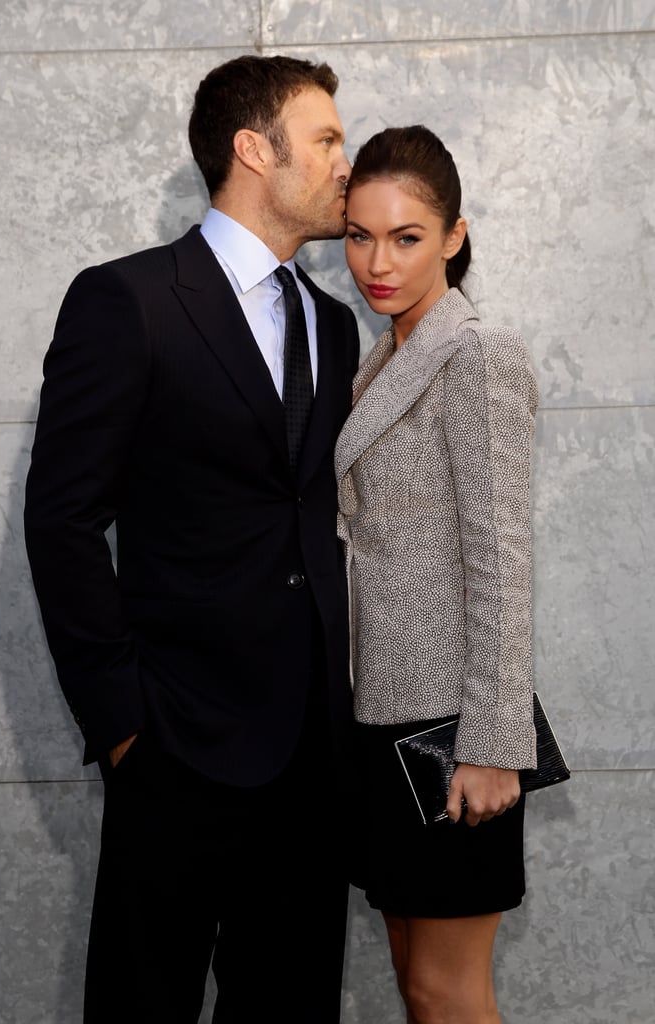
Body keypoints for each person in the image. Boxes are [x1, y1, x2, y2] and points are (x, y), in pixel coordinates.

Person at [24, 54, 360, 1024]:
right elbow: (63, 518)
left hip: (309, 756)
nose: (347, 159)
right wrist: (126, 719)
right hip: (175, 745)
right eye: (328, 138)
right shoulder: (127, 301)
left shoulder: (334, 327)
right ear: (256, 149)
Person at [335, 124, 539, 1024]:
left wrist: (493, 741)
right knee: (416, 982)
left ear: (455, 236)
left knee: (445, 987)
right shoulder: (384, 359)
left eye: (407, 237)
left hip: (454, 725)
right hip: (383, 710)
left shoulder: (475, 354)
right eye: (359, 235)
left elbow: (502, 557)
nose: (378, 262)